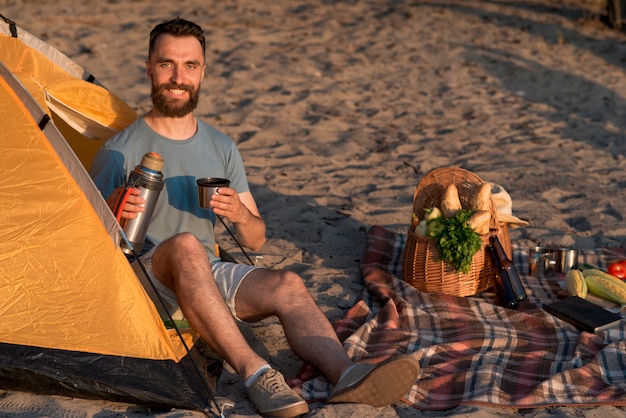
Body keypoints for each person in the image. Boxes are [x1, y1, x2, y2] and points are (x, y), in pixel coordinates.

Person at [89, 17, 420, 418]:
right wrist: (113, 208)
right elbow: (88, 241)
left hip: (203, 273)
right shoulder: (120, 151)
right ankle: (256, 372)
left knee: (288, 283)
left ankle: (348, 376)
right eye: (166, 64)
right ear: (148, 68)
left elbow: (256, 241)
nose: (178, 77)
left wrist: (240, 213)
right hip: (146, 279)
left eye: (189, 65)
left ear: (203, 72)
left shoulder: (221, 145)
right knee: (187, 246)